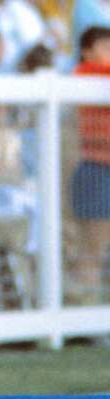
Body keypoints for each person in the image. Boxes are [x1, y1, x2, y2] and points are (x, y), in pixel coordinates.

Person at [70, 27, 110, 304]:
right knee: (93, 247)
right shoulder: (83, 75)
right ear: (87, 51)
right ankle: (86, 310)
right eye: (104, 47)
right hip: (95, 167)